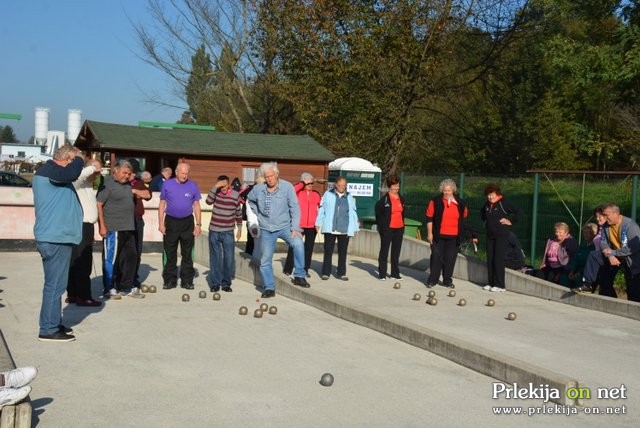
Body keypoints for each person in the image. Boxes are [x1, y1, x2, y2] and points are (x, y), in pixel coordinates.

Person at [33, 145, 84, 342]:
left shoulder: (52, 173)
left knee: (54, 285)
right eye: (75, 160)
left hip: (56, 237)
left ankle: (53, 322)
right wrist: (79, 158)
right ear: (68, 159)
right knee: (55, 286)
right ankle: (48, 329)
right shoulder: (52, 170)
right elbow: (72, 173)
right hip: (55, 238)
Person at [247, 162, 309, 298]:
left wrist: (296, 228)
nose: (269, 179)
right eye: (266, 177)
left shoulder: (287, 187)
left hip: (285, 227)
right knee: (265, 260)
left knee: (298, 243)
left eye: (271, 176)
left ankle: (299, 275)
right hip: (266, 229)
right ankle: (269, 287)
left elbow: (295, 208)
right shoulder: (258, 189)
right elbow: (250, 199)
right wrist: (257, 212)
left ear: (276, 174)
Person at [97, 160, 145, 299]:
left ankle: (126, 287)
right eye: (124, 173)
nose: (127, 176)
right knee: (111, 259)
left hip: (129, 228)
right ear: (115, 171)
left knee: (130, 258)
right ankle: (109, 288)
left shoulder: (128, 185)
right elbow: (99, 204)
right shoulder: (108, 184)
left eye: (129, 174)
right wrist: (102, 226)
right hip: (113, 229)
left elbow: (146, 195)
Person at [158, 163, 202, 290]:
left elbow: (197, 205)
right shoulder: (167, 184)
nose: (184, 175)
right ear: (176, 172)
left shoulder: (193, 185)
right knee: (170, 252)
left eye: (186, 173)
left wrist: (198, 224)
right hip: (171, 222)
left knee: (187, 253)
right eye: (182, 173)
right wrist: (161, 223)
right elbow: (162, 204)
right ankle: (169, 280)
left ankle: (187, 281)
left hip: (187, 222)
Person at [66, 158, 103, 307]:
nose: (97, 174)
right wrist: (93, 167)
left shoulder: (88, 185)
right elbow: (79, 175)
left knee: (77, 262)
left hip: (86, 227)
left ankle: (74, 293)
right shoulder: (78, 182)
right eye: (96, 171)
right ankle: (83, 296)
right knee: (82, 263)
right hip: (81, 225)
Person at [425, 178, 468, 288]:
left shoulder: (460, 203)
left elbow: (464, 217)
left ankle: (447, 280)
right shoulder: (435, 201)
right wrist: (430, 234)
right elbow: (429, 218)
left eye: (449, 190)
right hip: (438, 235)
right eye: (444, 190)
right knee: (436, 257)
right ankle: (432, 280)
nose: (446, 193)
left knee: (450, 259)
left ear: (453, 190)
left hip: (454, 236)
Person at [315, 176, 360, 281]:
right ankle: (326, 272)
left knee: (343, 252)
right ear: (335, 185)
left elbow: (353, 213)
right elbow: (322, 209)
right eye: (340, 185)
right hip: (330, 228)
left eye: (344, 185)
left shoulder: (349, 196)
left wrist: (355, 227)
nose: (342, 187)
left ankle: (341, 273)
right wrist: (318, 222)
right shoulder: (328, 194)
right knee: (328, 251)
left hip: (344, 228)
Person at [480, 183, 523, 292]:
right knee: (490, 259)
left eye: (492, 194)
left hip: (501, 236)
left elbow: (519, 211)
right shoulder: (487, 205)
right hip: (490, 236)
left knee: (498, 260)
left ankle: (500, 285)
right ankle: (491, 283)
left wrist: (510, 221)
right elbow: (482, 214)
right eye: (488, 195)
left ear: (497, 194)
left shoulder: (504, 203)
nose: (490, 197)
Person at [205, 175, 243, 292]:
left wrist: (240, 228)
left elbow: (238, 212)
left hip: (228, 231)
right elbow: (208, 201)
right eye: (220, 186)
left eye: (225, 185)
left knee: (229, 258)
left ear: (229, 185)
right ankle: (215, 283)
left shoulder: (235, 195)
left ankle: (226, 283)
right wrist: (215, 187)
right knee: (215, 258)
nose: (223, 188)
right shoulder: (215, 193)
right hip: (214, 231)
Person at [599, 203, 640, 302]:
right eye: (603, 215)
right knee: (604, 281)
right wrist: (610, 255)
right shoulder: (606, 226)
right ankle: (611, 303)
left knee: (634, 291)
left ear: (616, 213)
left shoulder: (630, 225)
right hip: (617, 258)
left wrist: (613, 252)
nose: (604, 218)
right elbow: (603, 243)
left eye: (606, 215)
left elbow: (633, 247)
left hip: (632, 261)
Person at [283, 172, 321, 278]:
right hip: (298, 225)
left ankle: (305, 269)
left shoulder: (316, 194)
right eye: (308, 183)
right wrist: (302, 184)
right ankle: (288, 269)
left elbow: (322, 209)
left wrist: (318, 223)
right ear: (303, 182)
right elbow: (292, 189)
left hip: (311, 226)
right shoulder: (297, 193)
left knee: (308, 249)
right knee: (293, 246)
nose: (310, 185)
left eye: (311, 183)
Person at [572, 205, 614, 295]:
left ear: (607, 215)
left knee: (605, 286)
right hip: (598, 261)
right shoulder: (601, 228)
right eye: (596, 216)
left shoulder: (610, 228)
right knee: (603, 286)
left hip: (607, 260)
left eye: (601, 216)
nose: (598, 219)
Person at [375, 174, 406, 281]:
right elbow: (378, 214)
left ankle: (394, 274)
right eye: (394, 185)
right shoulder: (384, 200)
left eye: (397, 185)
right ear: (389, 186)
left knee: (396, 252)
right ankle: (382, 274)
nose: (396, 187)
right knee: (384, 251)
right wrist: (382, 227)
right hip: (387, 228)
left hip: (399, 228)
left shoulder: (401, 198)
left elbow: (403, 213)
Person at [532, 222, 578, 286]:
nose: (557, 234)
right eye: (556, 232)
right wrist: (543, 264)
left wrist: (563, 271)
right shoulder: (551, 241)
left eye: (560, 232)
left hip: (562, 267)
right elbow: (546, 255)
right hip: (550, 266)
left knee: (551, 278)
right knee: (538, 274)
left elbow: (572, 258)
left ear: (566, 233)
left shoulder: (570, 242)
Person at [130, 170, 152, 288]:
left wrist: (134, 192)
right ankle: (122, 277)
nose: (133, 175)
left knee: (137, 251)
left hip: (138, 221)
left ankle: (134, 277)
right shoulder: (119, 183)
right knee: (126, 252)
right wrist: (138, 195)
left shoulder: (138, 183)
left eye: (133, 173)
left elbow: (148, 194)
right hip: (124, 222)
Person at [568, 223, 597, 287]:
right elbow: (576, 259)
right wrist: (572, 271)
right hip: (577, 271)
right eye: (584, 232)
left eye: (588, 233)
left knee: (579, 280)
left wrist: (579, 273)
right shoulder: (583, 245)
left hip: (587, 273)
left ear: (594, 234)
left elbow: (590, 265)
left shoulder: (595, 247)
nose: (585, 235)